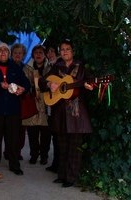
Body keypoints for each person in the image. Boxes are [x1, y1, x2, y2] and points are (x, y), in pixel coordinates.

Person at [38, 39, 93, 187]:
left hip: (76, 114)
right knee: (61, 145)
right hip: (60, 113)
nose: (64, 51)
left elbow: (88, 81)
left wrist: (88, 85)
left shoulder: (80, 66)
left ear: (73, 51)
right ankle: (61, 175)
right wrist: (50, 84)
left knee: (74, 148)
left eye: (67, 49)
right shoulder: (57, 66)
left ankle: (71, 178)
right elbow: (42, 81)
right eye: (62, 49)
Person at [0, 42, 30, 176]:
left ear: (9, 53)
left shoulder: (15, 68)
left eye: (5, 50)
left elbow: (26, 83)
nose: (3, 52)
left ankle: (14, 165)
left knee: (13, 140)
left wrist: (23, 89)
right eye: (0, 50)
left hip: (12, 111)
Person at [23, 44, 51, 165]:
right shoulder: (27, 68)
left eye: (41, 53)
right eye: (36, 53)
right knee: (32, 132)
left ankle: (44, 155)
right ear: (33, 55)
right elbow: (24, 83)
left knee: (46, 132)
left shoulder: (50, 68)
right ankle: (34, 154)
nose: (38, 55)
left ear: (44, 55)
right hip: (32, 103)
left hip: (46, 103)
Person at [3, 43, 27, 161]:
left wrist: (24, 89)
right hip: (10, 103)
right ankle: (9, 151)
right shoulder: (8, 66)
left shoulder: (26, 68)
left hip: (24, 103)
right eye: (15, 52)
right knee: (9, 130)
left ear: (24, 55)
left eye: (20, 53)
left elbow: (28, 84)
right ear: (11, 54)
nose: (17, 55)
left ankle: (17, 151)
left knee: (21, 130)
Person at [44, 45, 60, 173]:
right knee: (54, 136)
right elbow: (43, 82)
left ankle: (58, 164)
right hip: (50, 105)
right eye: (48, 51)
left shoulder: (59, 65)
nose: (50, 53)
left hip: (59, 107)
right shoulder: (48, 66)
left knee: (59, 137)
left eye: (52, 50)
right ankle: (55, 163)